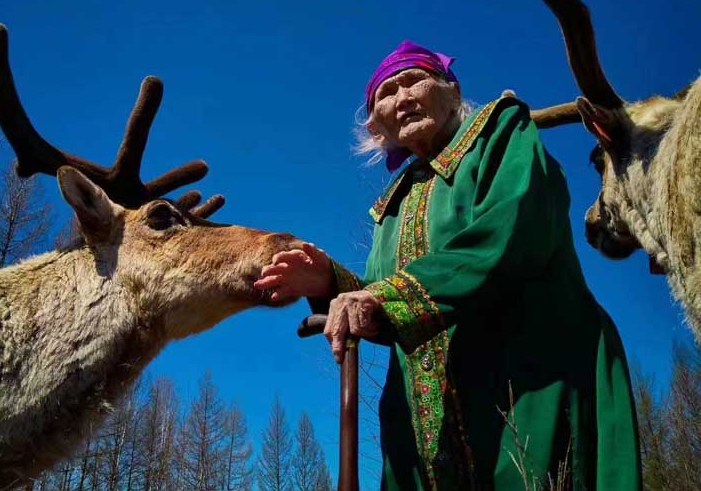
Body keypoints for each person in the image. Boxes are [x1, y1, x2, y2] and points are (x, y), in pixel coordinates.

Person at [254, 41, 641, 490]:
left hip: (529, 386)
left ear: (450, 90)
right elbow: (388, 300)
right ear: (375, 126)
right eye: (386, 93)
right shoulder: (393, 206)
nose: (401, 98)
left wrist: (384, 296)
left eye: (413, 80)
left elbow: (512, 231)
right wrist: (330, 283)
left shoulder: (500, 132)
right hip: (423, 432)